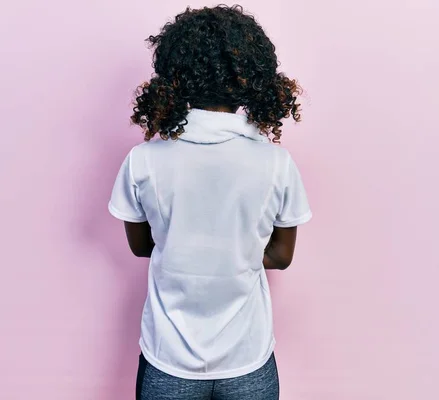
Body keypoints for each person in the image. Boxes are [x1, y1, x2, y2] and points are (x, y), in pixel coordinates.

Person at [109, 5, 312, 399]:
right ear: (254, 78)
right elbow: (282, 256)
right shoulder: (275, 164)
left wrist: (187, 249)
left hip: (168, 358)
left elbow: (141, 246)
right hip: (248, 358)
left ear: (175, 77)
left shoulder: (144, 161)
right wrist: (235, 254)